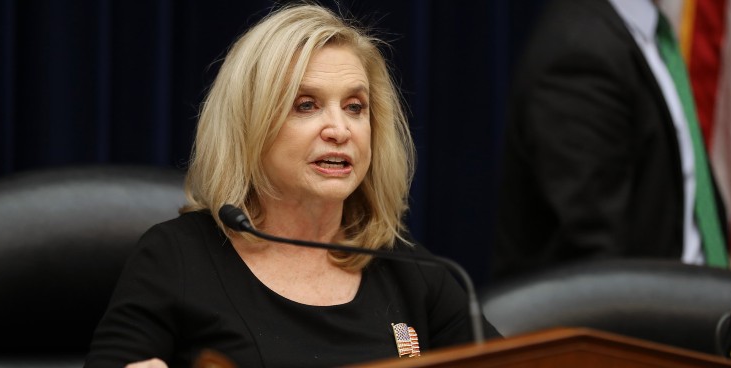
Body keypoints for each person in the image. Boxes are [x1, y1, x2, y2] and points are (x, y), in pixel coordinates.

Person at [85, 4, 499, 368]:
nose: (340, 129)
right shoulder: (175, 258)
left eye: (355, 107)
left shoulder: (410, 271)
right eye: (306, 105)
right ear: (250, 125)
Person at [492, 0, 728, 278]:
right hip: (643, 314)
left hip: (695, 304)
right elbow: (596, 270)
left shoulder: (649, 35)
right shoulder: (580, 51)